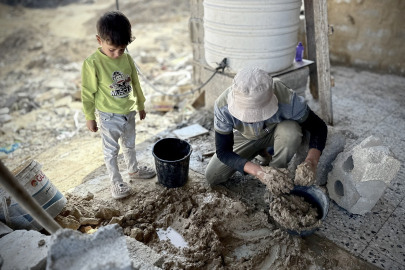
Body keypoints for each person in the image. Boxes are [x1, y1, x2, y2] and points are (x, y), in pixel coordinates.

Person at [205, 67, 327, 195]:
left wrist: (311, 162)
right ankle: (262, 154)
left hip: (276, 133)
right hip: (247, 137)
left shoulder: (287, 98)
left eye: (257, 115)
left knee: (291, 131)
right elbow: (223, 151)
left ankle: (277, 174)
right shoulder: (222, 106)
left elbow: (318, 127)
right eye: (246, 116)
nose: (252, 121)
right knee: (213, 176)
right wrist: (258, 171)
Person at [81, 11, 156, 200]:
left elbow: (135, 83)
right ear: (99, 40)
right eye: (112, 49)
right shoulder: (92, 64)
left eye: (121, 49)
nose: (117, 54)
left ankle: (133, 170)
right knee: (111, 151)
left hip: (128, 112)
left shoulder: (127, 59)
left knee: (130, 145)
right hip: (108, 116)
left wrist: (140, 105)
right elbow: (87, 92)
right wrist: (90, 117)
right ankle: (116, 182)